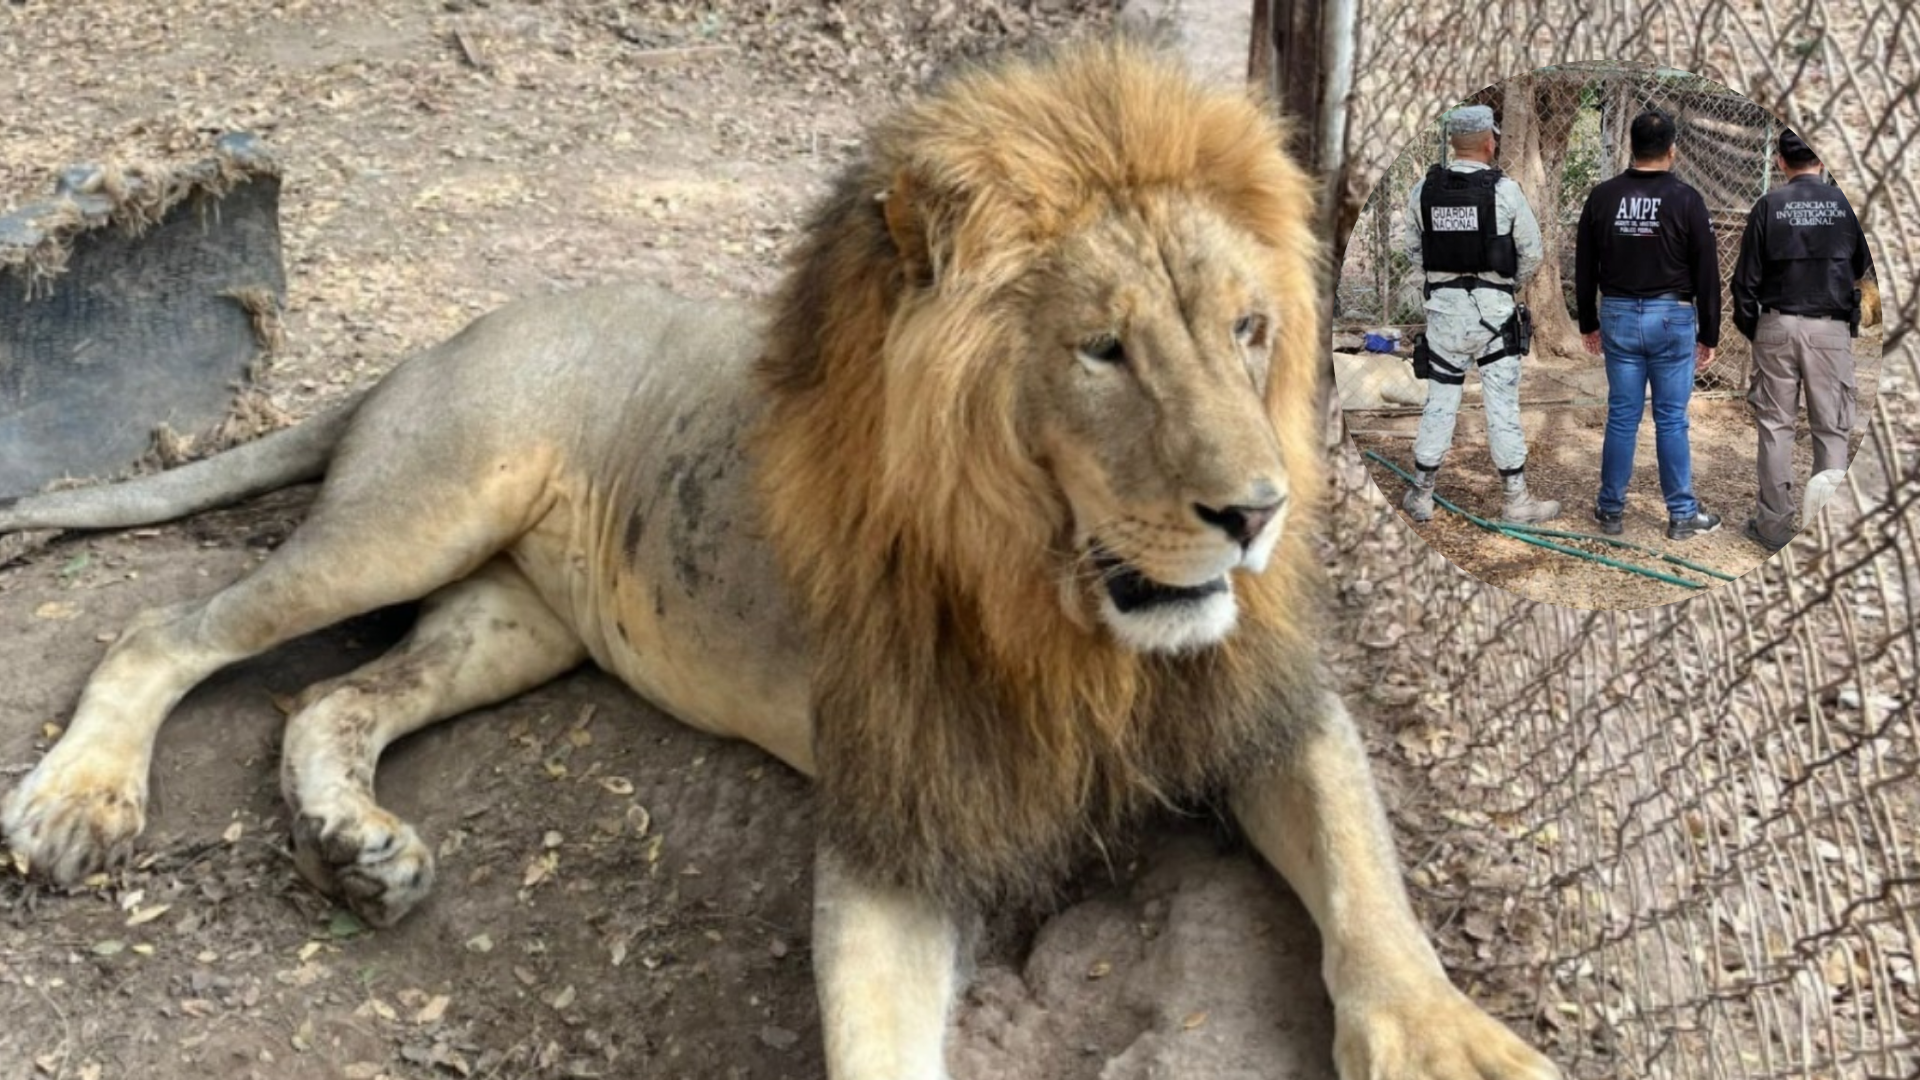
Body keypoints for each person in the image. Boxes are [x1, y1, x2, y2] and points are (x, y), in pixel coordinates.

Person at [1398, 104, 1558, 524]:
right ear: (1490, 142)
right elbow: (1532, 253)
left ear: (1453, 142)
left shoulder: (1424, 191)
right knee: (1502, 405)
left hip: (1444, 316)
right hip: (1494, 316)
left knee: (1440, 401)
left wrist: (1442, 278)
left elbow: (1412, 249)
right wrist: (1503, 284)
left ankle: (1421, 494)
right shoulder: (1504, 191)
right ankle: (1515, 500)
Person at [1574, 108, 1723, 540]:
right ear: (1672, 151)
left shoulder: (1603, 198)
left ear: (1631, 148)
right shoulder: (1687, 199)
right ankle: (1680, 515)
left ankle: (1610, 510)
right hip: (1672, 317)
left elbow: (1586, 266)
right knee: (1671, 419)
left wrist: (1588, 322)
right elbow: (1707, 272)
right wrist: (1709, 333)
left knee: (1622, 416)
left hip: (1618, 315)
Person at [1730, 128, 1874, 552]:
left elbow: (1744, 282)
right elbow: (1861, 266)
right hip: (1829, 328)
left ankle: (1773, 525)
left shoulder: (1768, 206)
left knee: (1776, 426)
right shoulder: (1847, 207)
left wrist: (1757, 330)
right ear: (1825, 162)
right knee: (1831, 428)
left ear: (1780, 162)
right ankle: (1823, 526)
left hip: (1776, 324)